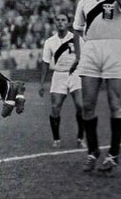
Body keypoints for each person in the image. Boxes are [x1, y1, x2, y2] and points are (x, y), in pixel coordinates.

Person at [70, 0, 121, 174]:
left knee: (115, 103)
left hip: (114, 49)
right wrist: (79, 56)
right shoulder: (84, 3)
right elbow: (77, 31)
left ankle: (113, 155)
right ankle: (93, 152)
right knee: (87, 105)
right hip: (91, 51)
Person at [38, 13, 85, 149]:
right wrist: (41, 83)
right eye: (58, 20)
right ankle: (56, 139)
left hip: (75, 74)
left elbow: (83, 56)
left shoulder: (76, 39)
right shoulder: (50, 42)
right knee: (55, 108)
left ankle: (80, 137)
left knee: (80, 106)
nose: (60, 22)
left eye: (63, 20)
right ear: (55, 23)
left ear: (68, 23)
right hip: (59, 75)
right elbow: (45, 63)